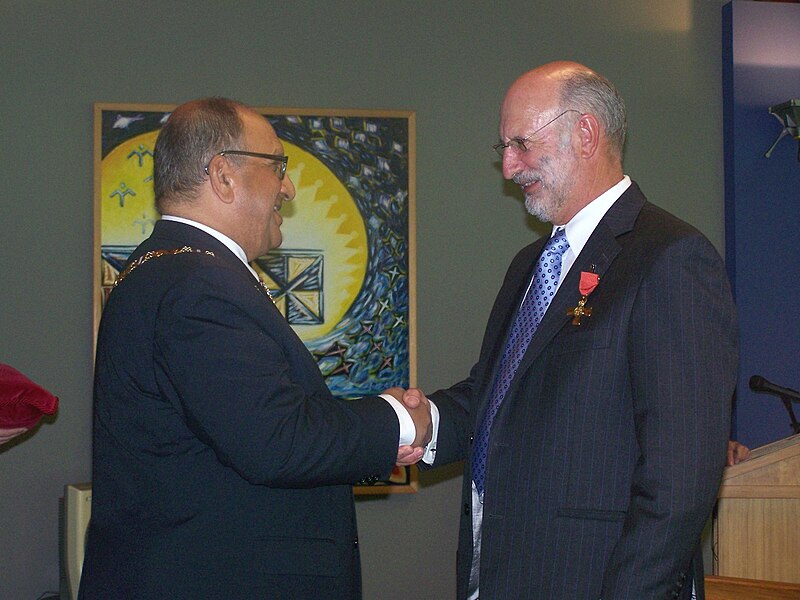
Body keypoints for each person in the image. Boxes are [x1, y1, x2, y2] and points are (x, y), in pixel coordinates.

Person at [405, 62, 739, 600]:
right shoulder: (528, 263)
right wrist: (422, 423)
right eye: (504, 149)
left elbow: (679, 483)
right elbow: (500, 397)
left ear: (585, 132)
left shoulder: (670, 258)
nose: (509, 166)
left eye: (521, 143)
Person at [79, 97, 431, 600]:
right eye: (278, 166)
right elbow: (276, 441)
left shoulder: (170, 270)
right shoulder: (197, 285)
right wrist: (397, 419)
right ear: (222, 176)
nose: (287, 186)